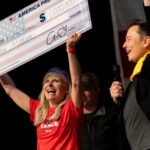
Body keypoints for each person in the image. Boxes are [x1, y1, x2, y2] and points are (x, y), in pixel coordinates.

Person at [0, 33, 83, 150]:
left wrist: (71, 49)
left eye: (55, 81)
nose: (49, 84)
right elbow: (9, 88)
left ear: (66, 89)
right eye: (47, 81)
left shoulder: (71, 109)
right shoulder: (38, 110)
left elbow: (76, 82)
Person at [109, 20, 150, 150]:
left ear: (146, 41)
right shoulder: (135, 82)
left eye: (128, 39)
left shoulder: (148, 69)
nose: (124, 45)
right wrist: (119, 103)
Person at [80, 72, 118, 150]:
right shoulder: (74, 119)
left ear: (97, 90)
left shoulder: (111, 114)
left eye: (86, 89)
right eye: (79, 91)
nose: (81, 94)